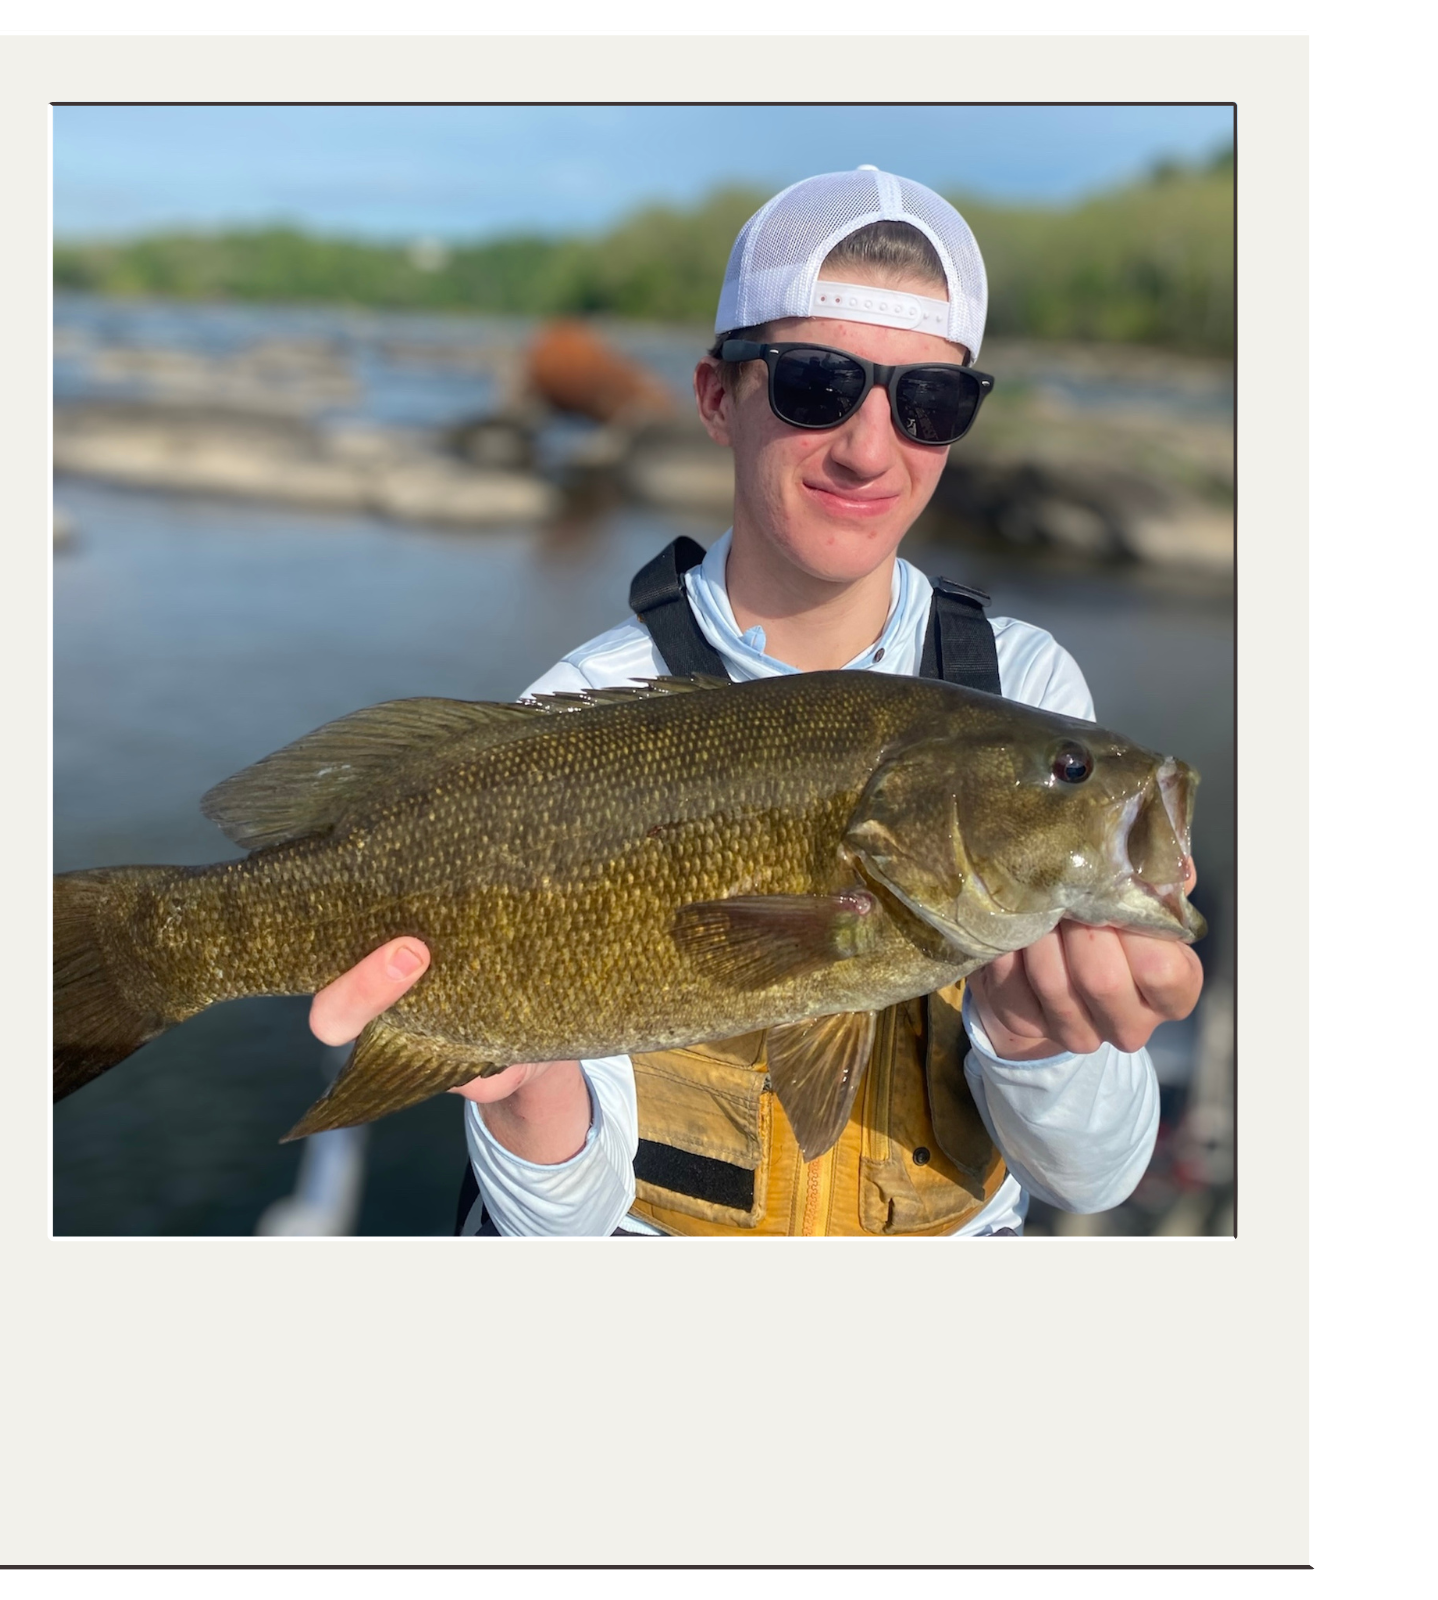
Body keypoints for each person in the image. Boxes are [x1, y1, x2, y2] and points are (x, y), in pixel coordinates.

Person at [309, 167, 1204, 1236]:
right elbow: (556, 1234)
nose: (871, 447)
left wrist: (1035, 1041)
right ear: (717, 396)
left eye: (929, 401)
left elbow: (1092, 1179)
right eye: (815, 385)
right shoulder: (580, 709)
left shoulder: (1021, 689)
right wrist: (526, 1091)